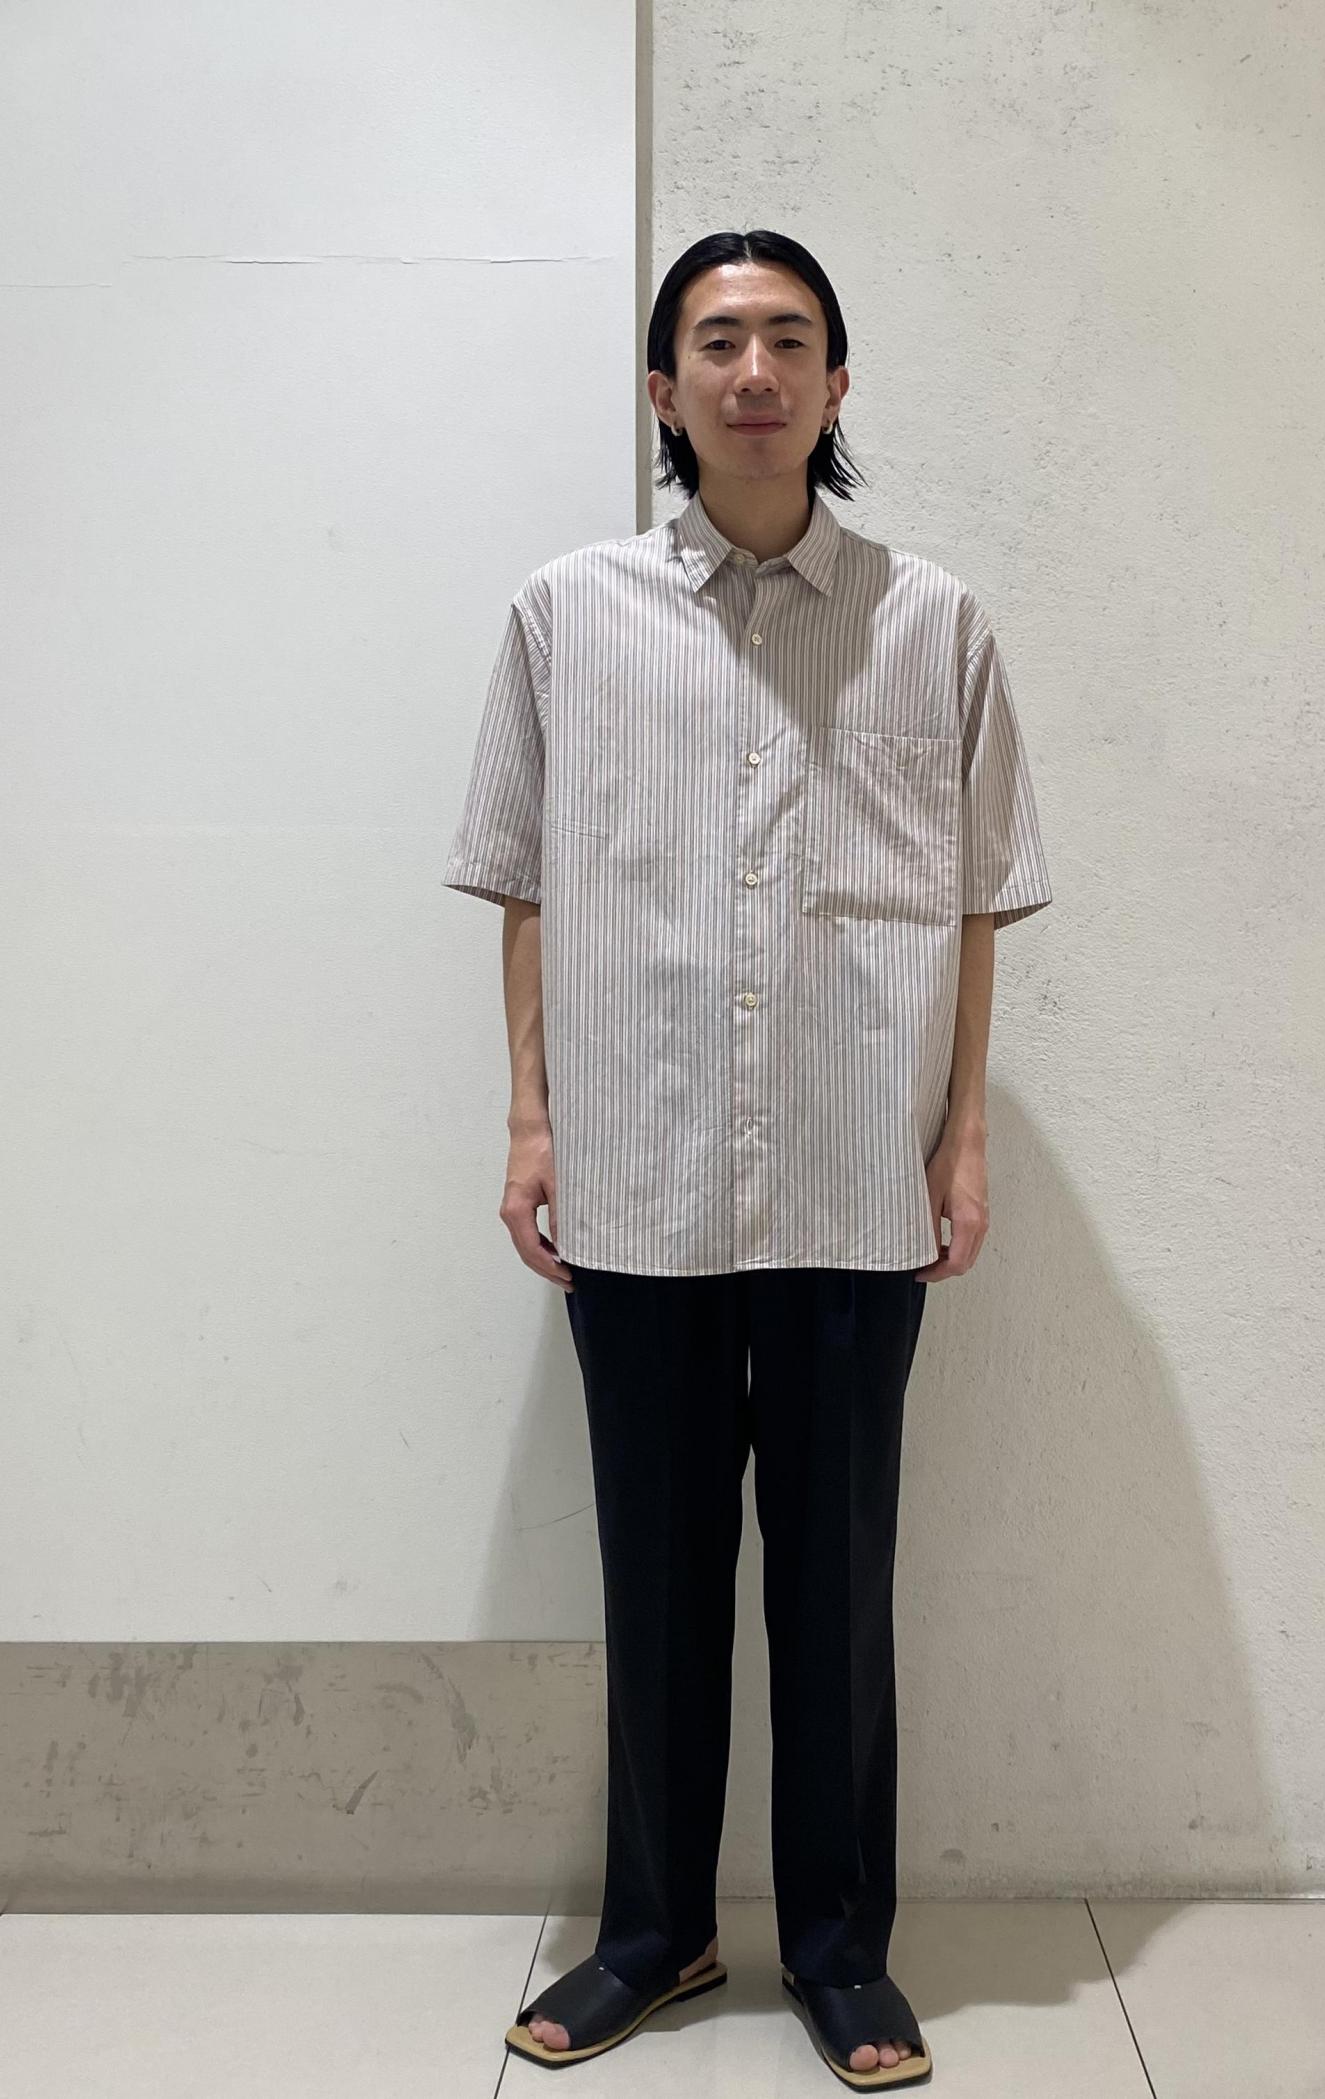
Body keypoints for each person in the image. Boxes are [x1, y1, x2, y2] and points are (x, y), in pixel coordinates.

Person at [442, 228, 1052, 2090]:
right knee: (656, 1572)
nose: (754, 370)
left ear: (838, 380)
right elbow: (524, 883)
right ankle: (656, 1930)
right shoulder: (566, 614)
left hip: (857, 1181)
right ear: (665, 387)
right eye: (717, 341)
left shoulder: (934, 623)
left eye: (790, 338)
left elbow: (974, 900)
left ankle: (843, 1950)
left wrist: (961, 1137)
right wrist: (533, 1119)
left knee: (837, 1582)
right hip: (639, 1177)